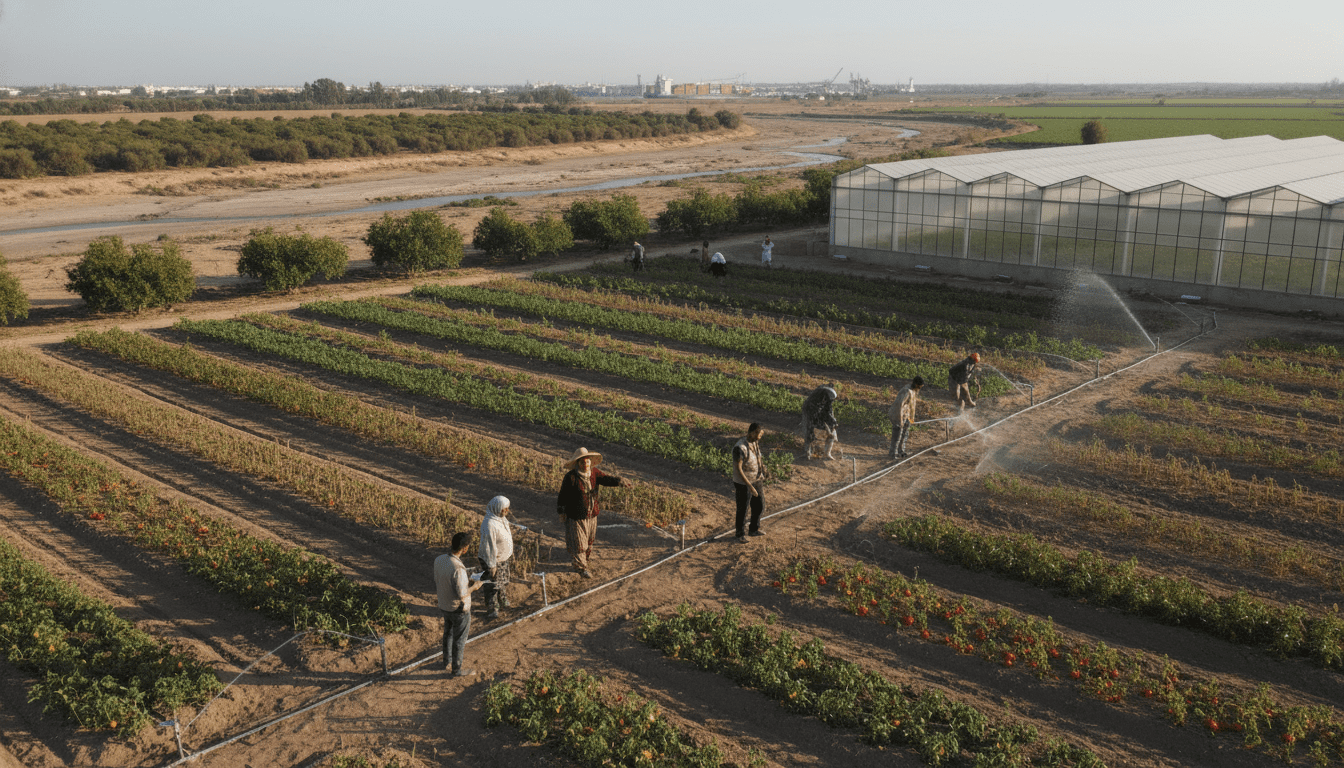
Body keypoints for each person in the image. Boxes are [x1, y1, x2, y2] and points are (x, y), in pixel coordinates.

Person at [556, 447, 628, 579]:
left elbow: (606, 479)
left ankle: (585, 561)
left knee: (589, 542)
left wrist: (619, 481)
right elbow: (563, 496)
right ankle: (581, 568)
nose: (585, 464)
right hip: (576, 517)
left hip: (591, 515)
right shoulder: (571, 477)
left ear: (590, 462)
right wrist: (561, 512)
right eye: (582, 462)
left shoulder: (594, 473)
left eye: (587, 461)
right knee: (579, 544)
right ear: (578, 463)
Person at [434, 531, 484, 677]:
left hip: (444, 604)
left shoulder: (439, 560)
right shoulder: (458, 569)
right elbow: (462, 593)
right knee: (459, 639)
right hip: (458, 609)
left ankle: (447, 661)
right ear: (465, 548)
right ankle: (456, 669)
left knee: (448, 634)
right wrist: (475, 586)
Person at [478, 495, 514, 620]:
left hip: (501, 559)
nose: (507, 511)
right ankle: (492, 609)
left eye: (507, 508)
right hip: (492, 560)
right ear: (497, 508)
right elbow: (489, 547)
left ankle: (502, 600)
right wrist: (491, 566)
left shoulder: (500, 519)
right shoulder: (489, 524)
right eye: (504, 508)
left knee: (501, 582)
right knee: (492, 585)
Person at [732, 423, 767, 543]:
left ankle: (753, 529)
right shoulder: (739, 448)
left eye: (760, 435)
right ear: (751, 432)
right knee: (743, 509)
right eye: (758, 434)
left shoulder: (754, 442)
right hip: (743, 483)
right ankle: (739, 534)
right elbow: (738, 469)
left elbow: (758, 457)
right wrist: (749, 486)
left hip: (756, 479)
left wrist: (763, 468)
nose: (759, 437)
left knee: (759, 505)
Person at [888, 376, 924, 459]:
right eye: (919, 387)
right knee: (897, 436)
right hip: (898, 414)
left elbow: (911, 405)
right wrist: (899, 419)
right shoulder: (906, 391)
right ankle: (893, 454)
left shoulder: (913, 391)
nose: (919, 389)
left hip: (906, 415)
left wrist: (911, 417)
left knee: (904, 434)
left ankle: (901, 451)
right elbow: (899, 405)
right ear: (916, 384)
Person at [800, 385, 839, 460]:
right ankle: (807, 452)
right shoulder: (812, 401)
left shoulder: (827, 399)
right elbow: (810, 412)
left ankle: (827, 453)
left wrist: (833, 421)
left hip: (818, 415)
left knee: (832, 432)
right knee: (809, 432)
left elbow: (828, 411)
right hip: (809, 415)